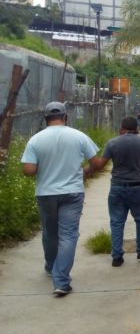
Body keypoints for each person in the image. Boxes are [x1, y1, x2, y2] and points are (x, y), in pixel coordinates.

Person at [21, 101, 99, 297]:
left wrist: (44, 166)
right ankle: (62, 281)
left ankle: (50, 266)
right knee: (68, 235)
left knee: (50, 232)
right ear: (65, 117)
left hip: (46, 193)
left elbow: (28, 170)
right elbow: (96, 162)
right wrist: (85, 173)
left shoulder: (36, 140)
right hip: (72, 192)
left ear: (45, 119)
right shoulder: (78, 136)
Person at [87, 116, 140, 267]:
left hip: (117, 187)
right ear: (136, 128)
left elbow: (101, 165)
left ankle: (117, 256)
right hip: (137, 187)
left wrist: (86, 171)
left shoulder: (112, 143)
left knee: (116, 222)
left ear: (122, 127)